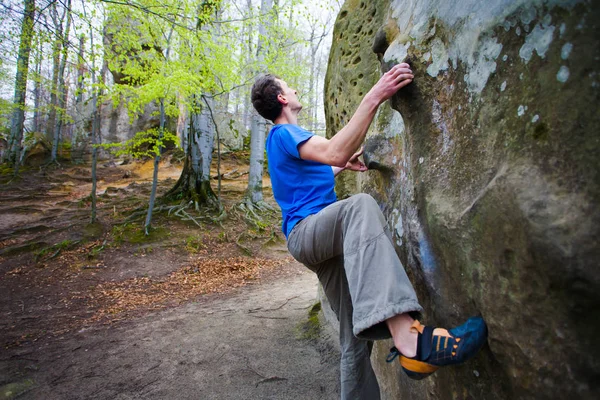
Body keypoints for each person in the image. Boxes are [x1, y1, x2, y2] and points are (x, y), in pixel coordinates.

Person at [250, 64, 488, 399]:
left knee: (353, 338)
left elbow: (317, 172)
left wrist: (338, 165)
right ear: (281, 97)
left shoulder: (286, 142)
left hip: (315, 239)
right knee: (359, 207)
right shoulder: (284, 133)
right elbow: (335, 148)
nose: (295, 91)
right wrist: (375, 94)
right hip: (309, 233)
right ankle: (410, 339)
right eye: (290, 87)